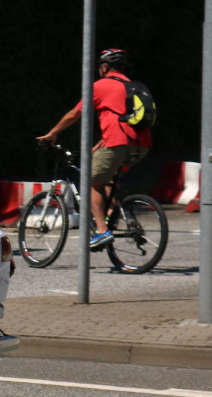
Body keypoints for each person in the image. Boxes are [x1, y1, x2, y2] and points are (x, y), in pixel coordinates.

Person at [36, 48, 152, 249]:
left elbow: (75, 113)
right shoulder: (132, 86)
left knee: (90, 183)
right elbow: (122, 120)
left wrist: (52, 132)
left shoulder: (100, 86)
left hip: (118, 144)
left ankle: (101, 231)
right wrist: (97, 146)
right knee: (108, 181)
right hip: (141, 145)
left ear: (104, 67)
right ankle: (109, 217)